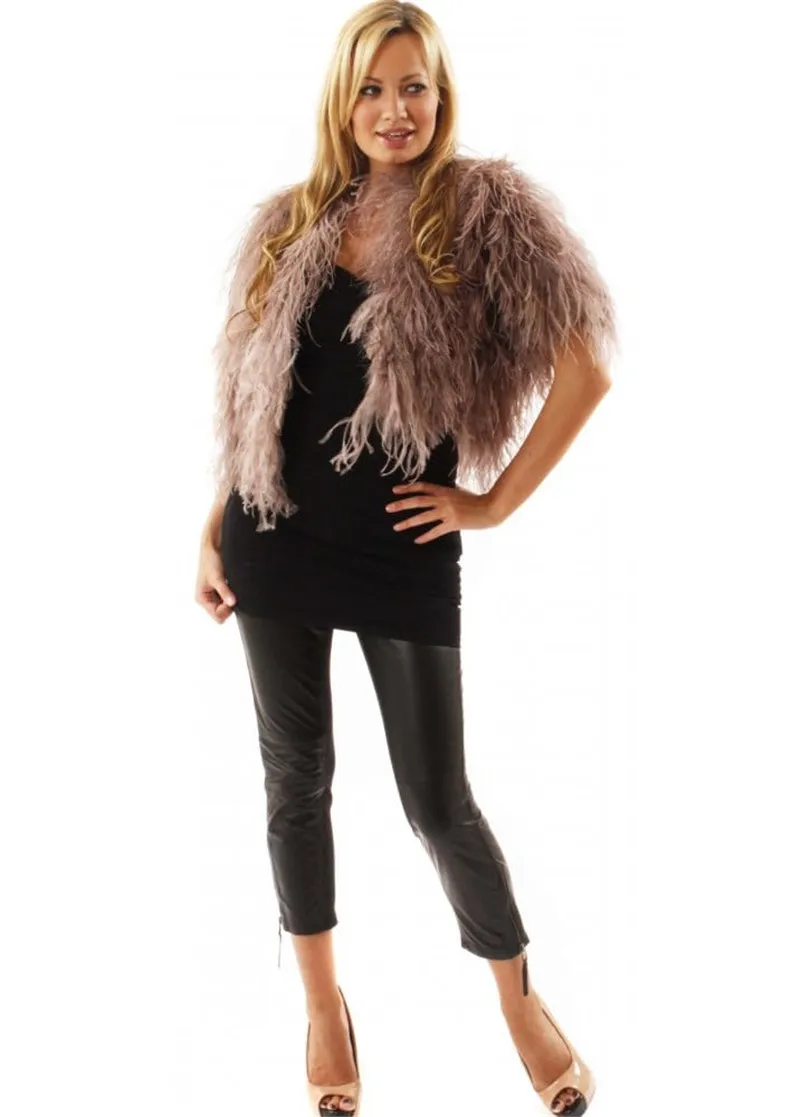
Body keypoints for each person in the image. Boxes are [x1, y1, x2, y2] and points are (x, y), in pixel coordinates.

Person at [195, 4, 616, 1115]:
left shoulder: (483, 212)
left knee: (437, 799)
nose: (395, 110)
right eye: (373, 88)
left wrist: (492, 503)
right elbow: (257, 398)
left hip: (401, 548)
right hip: (273, 538)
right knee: (295, 784)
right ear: (343, 101)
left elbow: (585, 366)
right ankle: (323, 1009)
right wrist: (213, 521)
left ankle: (518, 1000)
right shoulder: (291, 222)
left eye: (413, 86)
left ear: (441, 94)